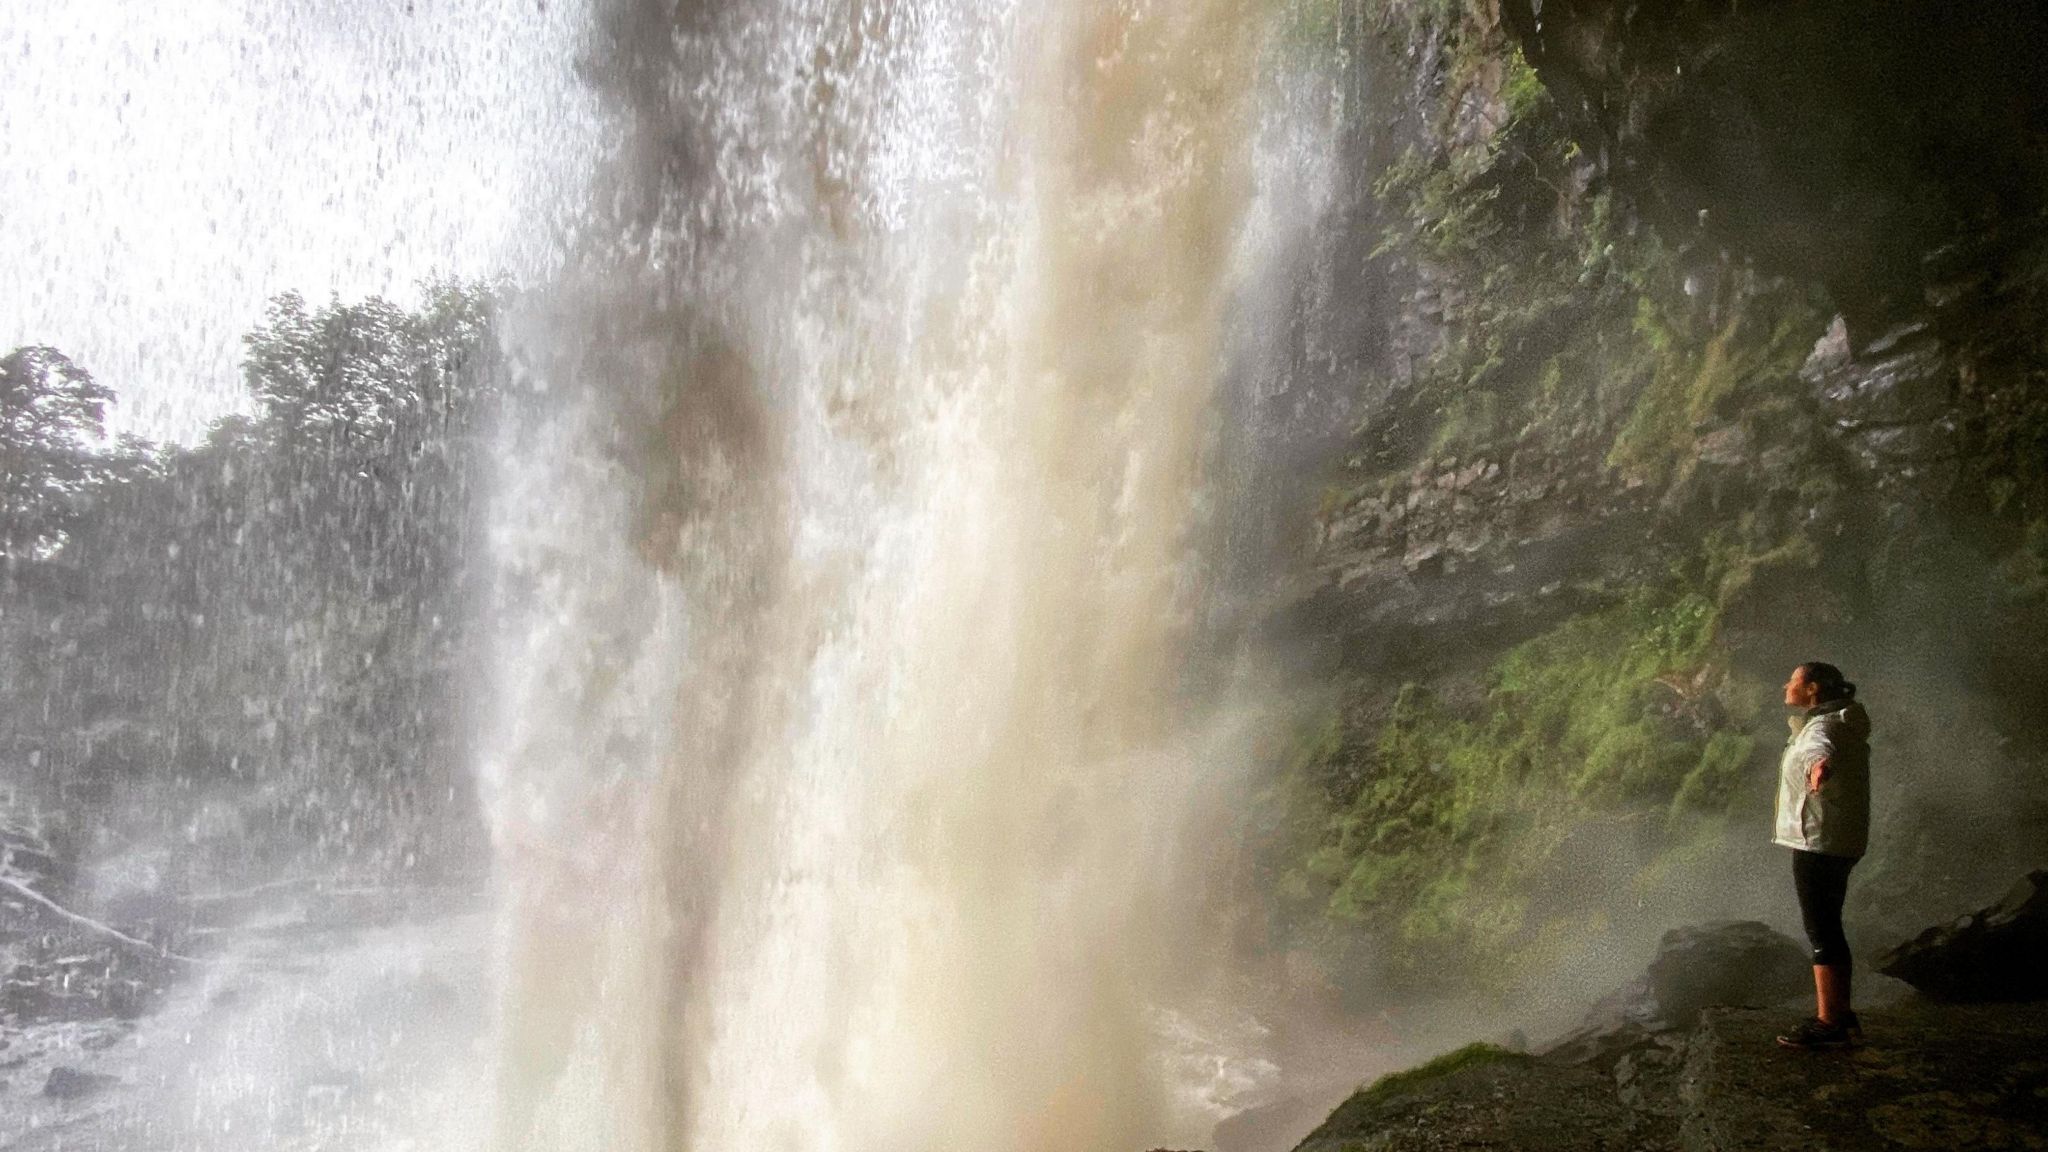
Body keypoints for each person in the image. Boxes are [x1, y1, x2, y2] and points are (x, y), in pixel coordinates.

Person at [1772, 661, 1872, 1050]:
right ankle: (1840, 1015)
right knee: (1827, 926)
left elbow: (1819, 751)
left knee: (1822, 929)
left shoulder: (1826, 728)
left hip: (1820, 841)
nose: (1786, 685)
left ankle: (1831, 1022)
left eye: (1793, 680)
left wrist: (1818, 768)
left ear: (1812, 688)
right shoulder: (1833, 721)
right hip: (1835, 838)